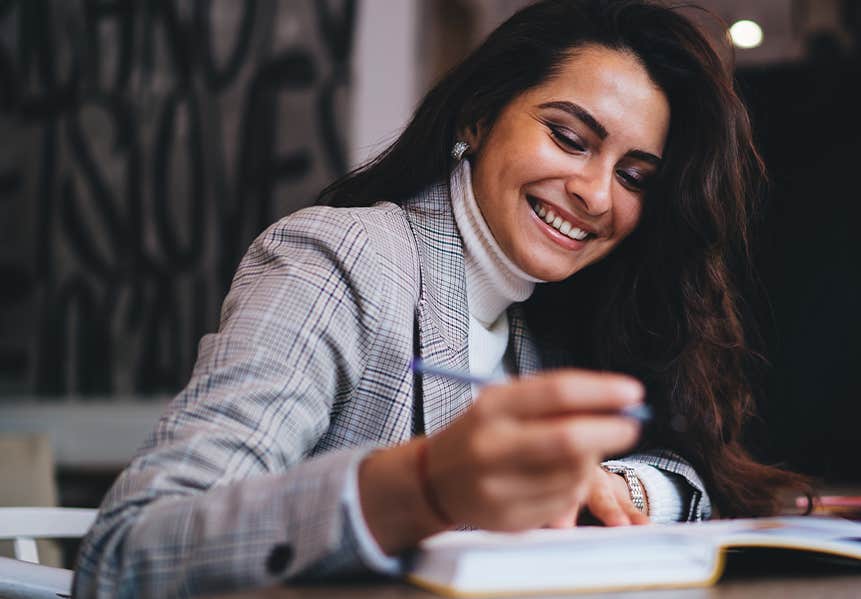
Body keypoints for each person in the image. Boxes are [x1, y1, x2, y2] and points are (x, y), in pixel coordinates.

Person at [74, 0, 812, 596]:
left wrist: (622, 486)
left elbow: (685, 472)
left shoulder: (544, 316)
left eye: (635, 176)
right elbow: (130, 547)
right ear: (477, 117)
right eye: (568, 136)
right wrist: (420, 487)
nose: (595, 193)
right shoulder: (342, 258)